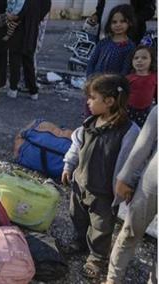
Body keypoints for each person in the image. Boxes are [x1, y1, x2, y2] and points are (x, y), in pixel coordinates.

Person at [61, 74, 140, 280]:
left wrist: (127, 184)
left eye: (92, 97)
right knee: (77, 215)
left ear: (110, 101)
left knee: (101, 226)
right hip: (81, 184)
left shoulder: (129, 131)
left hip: (104, 192)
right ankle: (79, 241)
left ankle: (96, 257)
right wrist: (69, 166)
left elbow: (134, 161)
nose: (88, 101)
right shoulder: (89, 123)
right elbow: (76, 146)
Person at [105, 106, 157, 284]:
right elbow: (142, 147)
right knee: (130, 232)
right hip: (150, 184)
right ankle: (113, 279)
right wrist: (124, 178)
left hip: (150, 184)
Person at [5, 0, 50, 101]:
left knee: (15, 60)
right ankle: (33, 91)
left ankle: (13, 89)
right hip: (31, 28)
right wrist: (37, 17)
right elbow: (46, 5)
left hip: (18, 27)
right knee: (28, 61)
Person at [86, 5, 136, 78]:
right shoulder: (104, 42)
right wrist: (89, 78)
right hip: (96, 82)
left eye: (122, 21)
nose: (118, 25)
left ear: (130, 23)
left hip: (113, 84)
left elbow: (125, 70)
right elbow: (92, 62)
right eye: (114, 22)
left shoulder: (129, 46)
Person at [89, 0, 155, 44]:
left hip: (128, 40)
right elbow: (102, 6)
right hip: (103, 37)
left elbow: (149, 10)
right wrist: (97, 16)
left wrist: (131, 21)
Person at [126, 45, 157, 127]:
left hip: (146, 110)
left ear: (151, 60)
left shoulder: (155, 77)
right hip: (129, 109)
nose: (139, 60)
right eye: (136, 58)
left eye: (144, 58)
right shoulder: (129, 78)